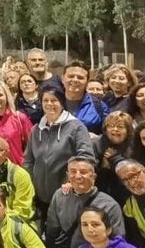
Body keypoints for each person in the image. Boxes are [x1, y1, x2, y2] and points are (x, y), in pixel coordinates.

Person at [45, 156, 124, 248]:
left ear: (93, 177)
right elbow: (51, 234)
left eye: (83, 172)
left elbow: (117, 242)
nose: (78, 176)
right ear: (67, 176)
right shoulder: (60, 196)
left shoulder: (109, 205)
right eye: (73, 172)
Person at [24, 88, 94, 225]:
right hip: (40, 196)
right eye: (45, 100)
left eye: (54, 100)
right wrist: (30, 184)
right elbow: (28, 160)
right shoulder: (36, 129)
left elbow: (86, 157)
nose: (50, 104)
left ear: (62, 103)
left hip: (67, 194)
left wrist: (72, 182)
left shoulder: (76, 127)